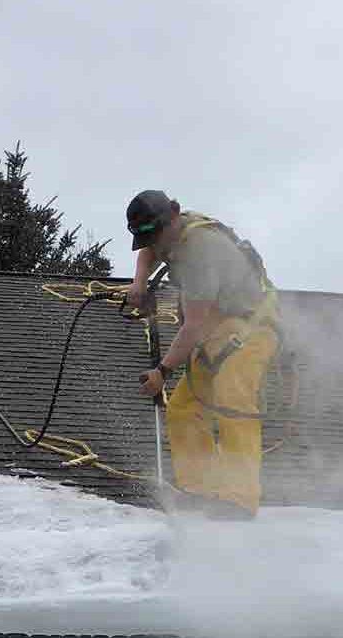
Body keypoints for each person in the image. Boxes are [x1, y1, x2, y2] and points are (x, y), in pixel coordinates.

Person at [122, 190, 282, 517]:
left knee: (231, 398)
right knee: (183, 408)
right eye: (148, 239)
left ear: (174, 215)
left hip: (251, 327)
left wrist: (162, 372)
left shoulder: (200, 252)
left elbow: (192, 327)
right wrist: (139, 283)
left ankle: (239, 499)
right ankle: (200, 492)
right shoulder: (170, 232)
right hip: (217, 329)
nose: (156, 246)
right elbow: (149, 252)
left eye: (157, 236)